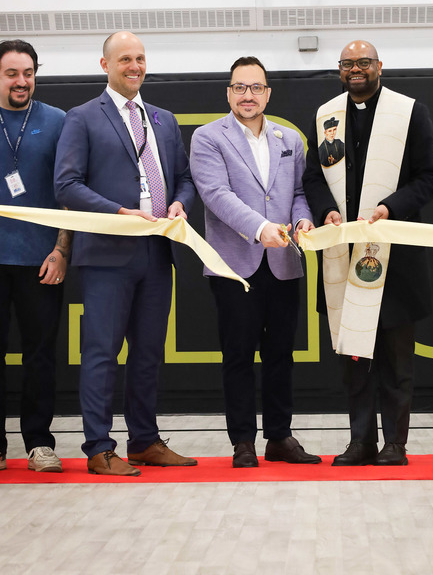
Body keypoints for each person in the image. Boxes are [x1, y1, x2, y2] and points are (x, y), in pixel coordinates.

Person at [54, 31, 197, 476]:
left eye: (139, 58)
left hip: (156, 253)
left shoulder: (164, 119)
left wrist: (179, 204)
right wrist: (118, 211)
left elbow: (185, 178)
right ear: (105, 65)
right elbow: (66, 185)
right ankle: (99, 448)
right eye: (124, 59)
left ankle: (144, 442)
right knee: (100, 353)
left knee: (149, 354)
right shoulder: (81, 118)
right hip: (106, 256)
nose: (134, 66)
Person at [303, 40, 433, 466]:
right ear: (340, 70)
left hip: (395, 256)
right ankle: (360, 441)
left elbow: (429, 177)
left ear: (380, 66)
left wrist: (390, 208)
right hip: (344, 255)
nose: (356, 69)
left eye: (364, 62)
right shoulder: (326, 115)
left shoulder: (409, 111)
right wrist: (326, 211)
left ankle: (394, 444)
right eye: (348, 64)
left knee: (397, 360)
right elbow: (312, 179)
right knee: (354, 358)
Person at [189, 56, 321, 468]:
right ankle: (242, 441)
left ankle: (280, 437)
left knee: (281, 354)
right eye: (240, 87)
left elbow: (299, 192)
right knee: (239, 355)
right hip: (234, 266)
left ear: (268, 93)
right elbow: (215, 194)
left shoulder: (289, 140)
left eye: (256, 87)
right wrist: (261, 225)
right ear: (228, 93)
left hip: (283, 263)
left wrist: (302, 219)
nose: (248, 95)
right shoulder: (208, 138)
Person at [0, 39, 71, 473]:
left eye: (28, 72)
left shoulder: (58, 121)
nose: (21, 81)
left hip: (41, 260)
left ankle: (39, 443)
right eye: (11, 73)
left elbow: (68, 193)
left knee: (40, 356)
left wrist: (62, 250)